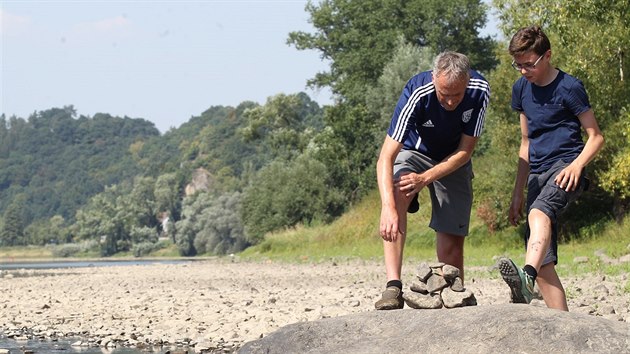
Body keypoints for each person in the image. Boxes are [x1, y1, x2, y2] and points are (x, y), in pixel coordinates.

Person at [498, 26, 604, 311]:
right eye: (517, 65)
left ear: (547, 56)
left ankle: (525, 277)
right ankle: (562, 327)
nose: (523, 71)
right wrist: (518, 191)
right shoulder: (521, 88)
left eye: (528, 64)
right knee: (544, 261)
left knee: (540, 212)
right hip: (537, 173)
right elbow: (525, 143)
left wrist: (577, 165)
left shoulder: (570, 87)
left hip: (565, 167)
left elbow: (596, 137)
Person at [375, 51, 490, 310]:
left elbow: (465, 151)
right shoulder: (418, 90)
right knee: (397, 190)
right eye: (444, 94)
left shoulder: (480, 89)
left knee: (452, 245)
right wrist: (388, 208)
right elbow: (386, 157)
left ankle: (452, 291)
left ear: (468, 82)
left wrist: (425, 179)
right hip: (416, 152)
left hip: (453, 159)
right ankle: (393, 286)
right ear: (434, 78)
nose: (450, 102)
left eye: (456, 95)